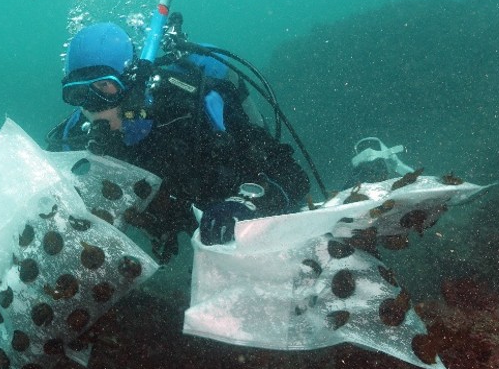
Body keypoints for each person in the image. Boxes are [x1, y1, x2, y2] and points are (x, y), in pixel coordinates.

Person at [46, 21, 310, 261]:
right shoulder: (72, 140)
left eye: (105, 87)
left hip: (225, 213)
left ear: (132, 83)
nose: (93, 106)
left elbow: (292, 177)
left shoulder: (191, 108)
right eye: (78, 93)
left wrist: (247, 204)